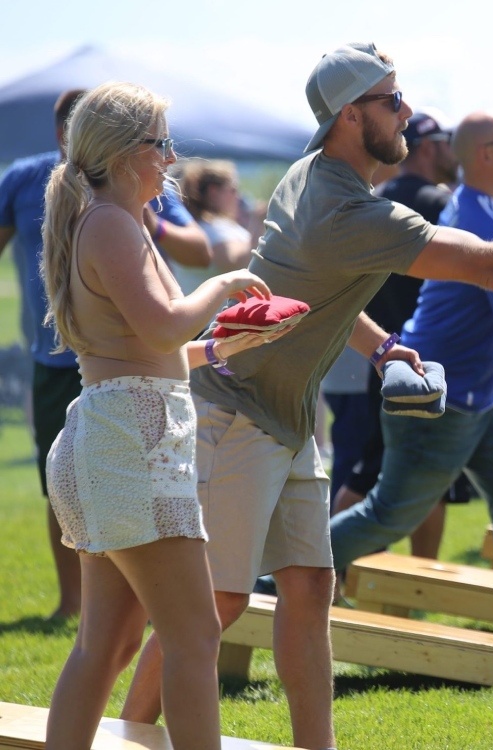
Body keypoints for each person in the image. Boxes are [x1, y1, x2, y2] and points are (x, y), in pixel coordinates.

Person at [120, 43, 493, 749]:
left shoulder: (318, 180)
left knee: (307, 590)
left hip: (286, 418)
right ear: (349, 116)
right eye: (392, 101)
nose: (407, 112)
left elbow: (305, 288)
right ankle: (126, 735)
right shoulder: (350, 211)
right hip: (233, 411)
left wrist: (380, 343)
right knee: (219, 601)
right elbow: (491, 267)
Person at [39, 81, 280, 750]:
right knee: (195, 635)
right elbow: (161, 324)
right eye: (162, 145)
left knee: (107, 643)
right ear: (123, 154)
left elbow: (146, 350)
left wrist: (225, 346)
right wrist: (225, 284)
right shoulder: (112, 222)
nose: (171, 159)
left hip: (114, 439)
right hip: (128, 448)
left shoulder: (115, 220)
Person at [330, 111, 493, 643]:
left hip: (476, 398)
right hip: (438, 396)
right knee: (389, 516)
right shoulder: (485, 221)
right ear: (486, 156)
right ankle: (265, 579)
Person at [332, 108, 465, 558]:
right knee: (419, 477)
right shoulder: (442, 204)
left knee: (374, 469)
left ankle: (328, 571)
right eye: (447, 142)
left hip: (381, 351)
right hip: (423, 357)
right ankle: (324, 569)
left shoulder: (376, 198)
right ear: (428, 147)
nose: (454, 152)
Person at [0, 89, 89, 621]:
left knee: (127, 483)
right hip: (52, 361)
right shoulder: (24, 177)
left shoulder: (127, 174)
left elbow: (194, 245)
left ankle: (131, 601)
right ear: (62, 131)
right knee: (58, 485)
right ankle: (70, 605)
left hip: (121, 361)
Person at [176, 159, 253, 294]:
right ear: (213, 192)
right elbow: (235, 262)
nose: (238, 196)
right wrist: (258, 222)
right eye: (233, 189)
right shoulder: (209, 228)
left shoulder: (214, 225)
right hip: (216, 314)